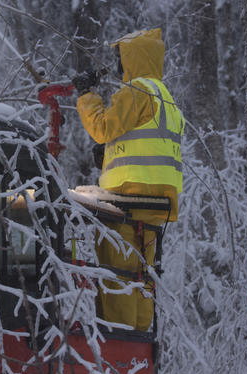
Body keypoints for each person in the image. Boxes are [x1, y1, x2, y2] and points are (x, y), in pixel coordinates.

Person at [72, 28, 184, 331]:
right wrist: (108, 155)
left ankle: (117, 338)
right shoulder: (164, 97)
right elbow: (144, 143)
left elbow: (102, 127)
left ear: (132, 59)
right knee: (141, 276)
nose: (119, 66)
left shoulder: (138, 90)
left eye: (121, 58)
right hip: (155, 203)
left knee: (117, 271)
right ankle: (137, 340)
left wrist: (86, 96)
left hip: (127, 200)